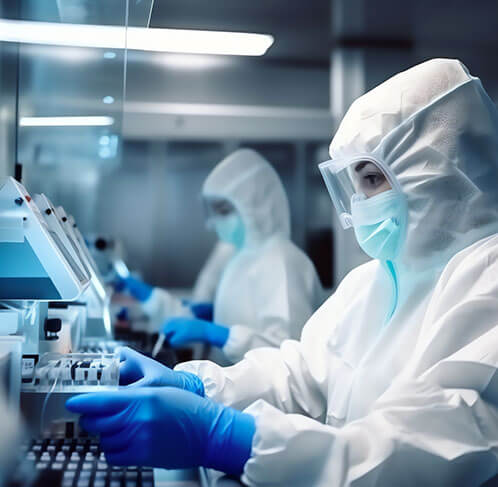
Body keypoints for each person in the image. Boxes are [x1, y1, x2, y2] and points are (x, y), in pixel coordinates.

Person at [67, 58, 498, 486]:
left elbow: (425, 447)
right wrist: (198, 387)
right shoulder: (373, 282)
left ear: (438, 171)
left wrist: (230, 439)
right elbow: (301, 373)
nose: (359, 204)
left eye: (370, 179)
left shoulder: (488, 280)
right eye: (355, 184)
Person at [117, 148, 325, 364]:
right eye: (213, 211)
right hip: (236, 390)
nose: (214, 221)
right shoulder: (242, 257)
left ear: (257, 206)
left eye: (223, 210)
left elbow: (288, 354)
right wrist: (215, 315)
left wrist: (216, 334)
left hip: (266, 397)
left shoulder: (281, 261)